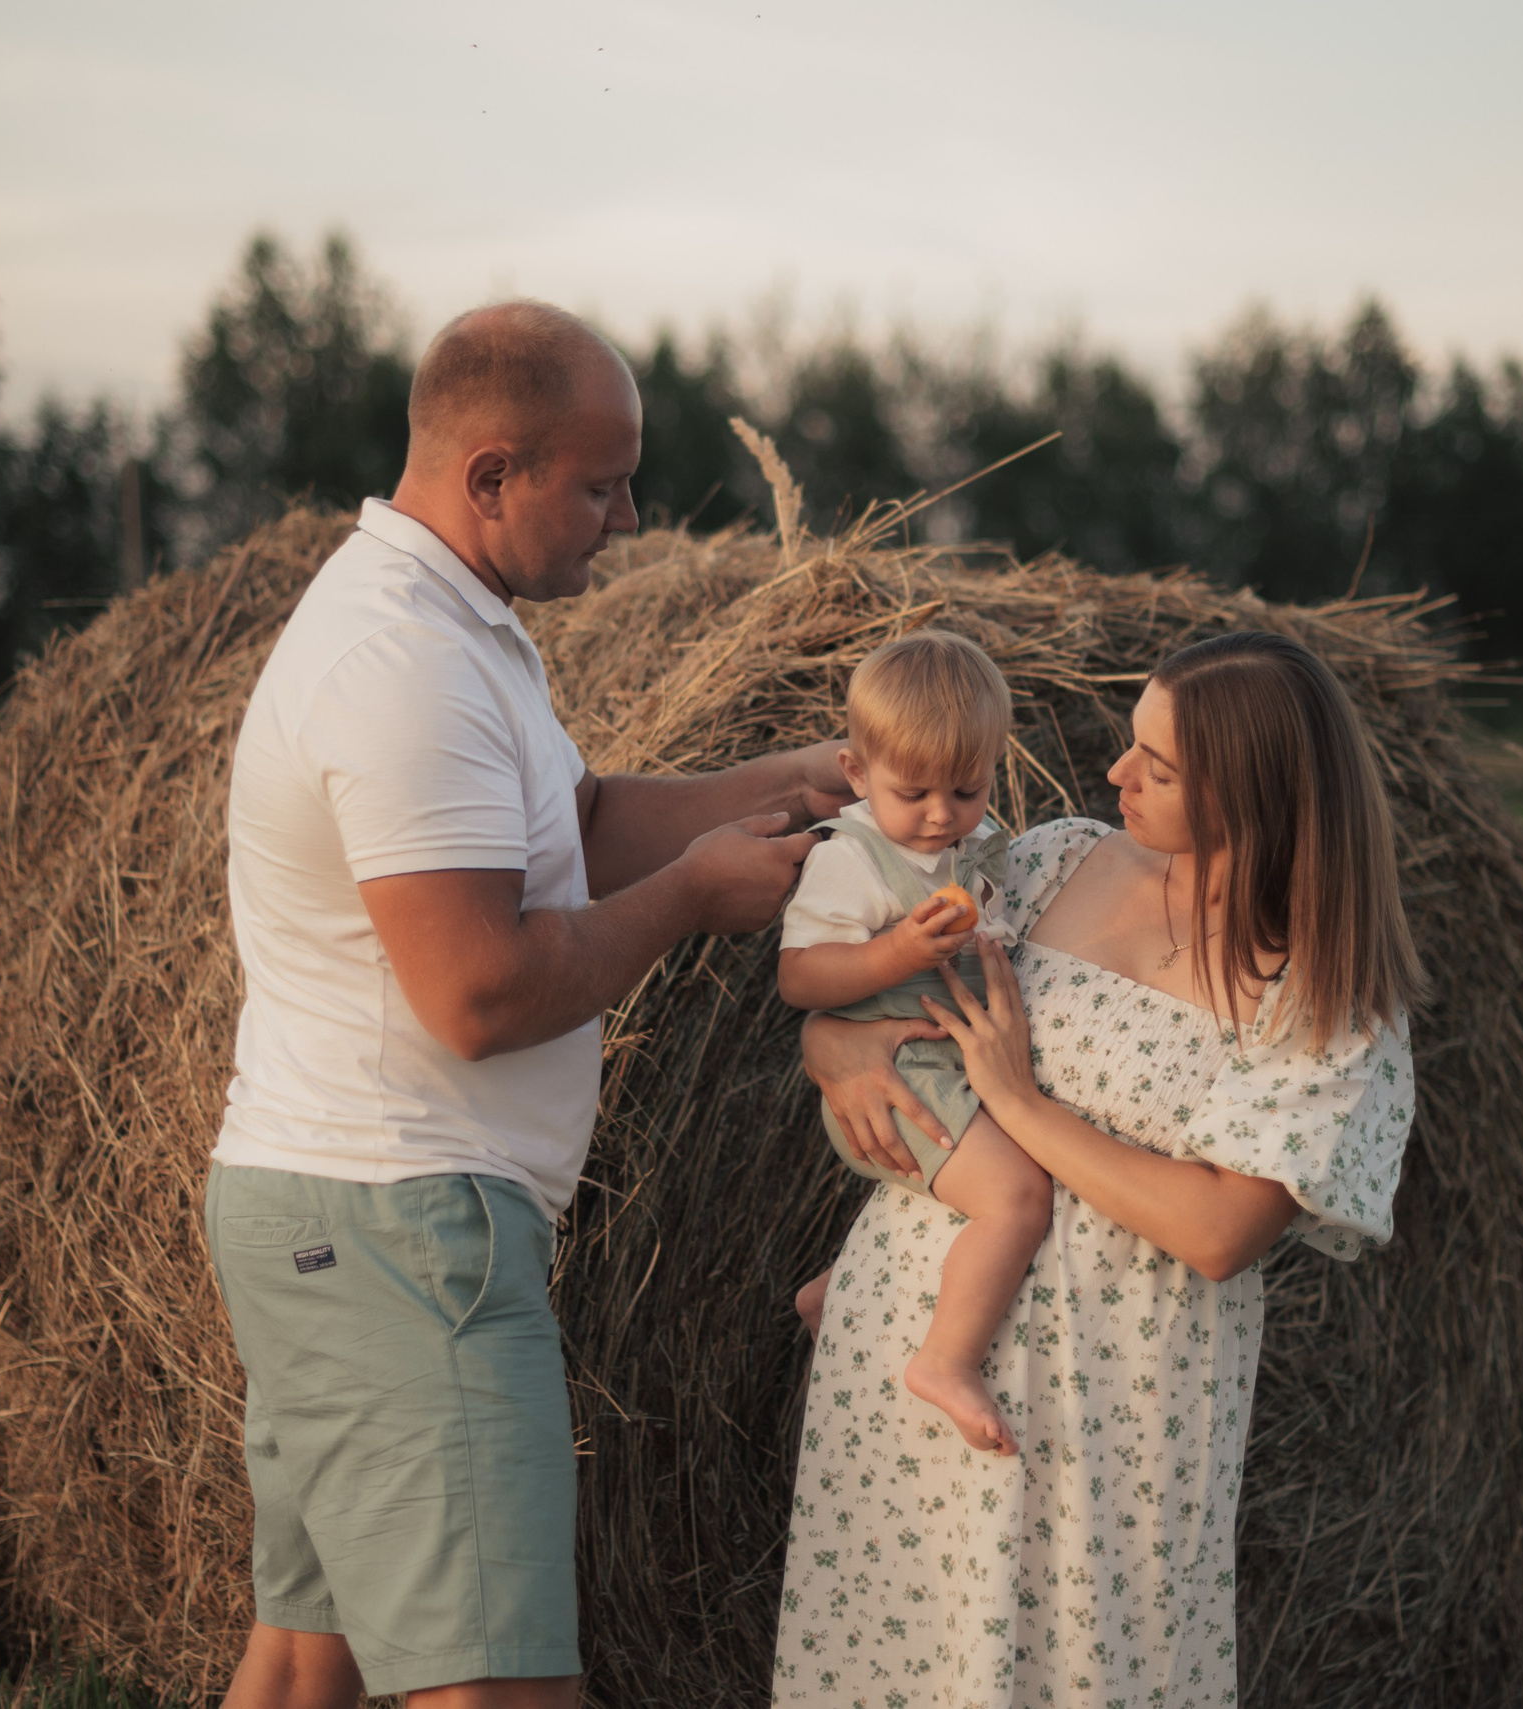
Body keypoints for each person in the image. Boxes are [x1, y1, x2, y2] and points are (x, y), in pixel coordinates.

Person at [203, 300, 852, 1709]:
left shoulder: (454, 619)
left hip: (339, 1217)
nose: (629, 515)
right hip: (399, 1232)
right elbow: (480, 994)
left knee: (309, 1664)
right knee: (498, 1686)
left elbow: (579, 823)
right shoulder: (405, 666)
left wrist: (792, 774)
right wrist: (693, 896)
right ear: (493, 474)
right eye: (602, 481)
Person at [773, 631, 1424, 1708]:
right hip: (923, 1358)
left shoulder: (1323, 993)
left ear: (1255, 796)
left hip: (1115, 1409)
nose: (1116, 773)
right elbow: (881, 1012)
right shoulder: (1051, 859)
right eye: (1132, 743)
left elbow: (1220, 1231)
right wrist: (830, 1049)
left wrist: (1021, 1102)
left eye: (1159, 768)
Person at [776, 630, 1055, 1456]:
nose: (941, 814)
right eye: (915, 791)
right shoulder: (853, 859)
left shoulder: (974, 846)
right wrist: (893, 954)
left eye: (968, 789)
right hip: (901, 1073)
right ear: (857, 773)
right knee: (1018, 1198)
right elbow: (798, 976)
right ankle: (946, 1359)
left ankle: (843, 1291)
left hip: (954, 1061)